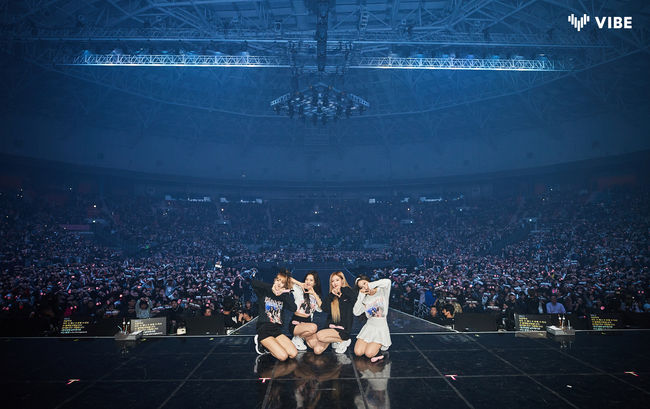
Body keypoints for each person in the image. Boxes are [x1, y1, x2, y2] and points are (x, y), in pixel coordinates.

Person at [251, 269, 298, 361]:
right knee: (283, 356)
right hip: (264, 329)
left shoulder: (283, 296)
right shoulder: (265, 291)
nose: (279, 283)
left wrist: (284, 293)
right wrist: (271, 288)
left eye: (282, 282)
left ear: (285, 285)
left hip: (276, 330)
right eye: (278, 280)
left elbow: (293, 308)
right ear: (274, 280)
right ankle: (261, 342)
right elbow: (253, 283)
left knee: (293, 353)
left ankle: (270, 346)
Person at [313, 272, 355, 354]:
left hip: (343, 330)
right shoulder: (331, 296)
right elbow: (324, 308)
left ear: (342, 280)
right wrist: (332, 295)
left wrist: (341, 289)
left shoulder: (348, 291)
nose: (335, 283)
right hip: (330, 328)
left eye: (337, 280)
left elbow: (354, 298)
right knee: (317, 350)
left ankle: (344, 340)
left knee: (320, 335)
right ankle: (337, 341)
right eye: (332, 281)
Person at [353, 276, 392, 362]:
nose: (364, 287)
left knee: (369, 353)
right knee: (358, 352)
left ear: (368, 281)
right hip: (369, 328)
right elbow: (356, 312)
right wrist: (360, 296)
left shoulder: (382, 291)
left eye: (364, 283)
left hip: (381, 328)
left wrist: (370, 285)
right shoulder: (365, 299)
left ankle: (380, 349)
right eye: (361, 287)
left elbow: (388, 281)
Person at [289, 271, 323, 351]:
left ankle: (300, 337)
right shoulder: (299, 290)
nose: (308, 282)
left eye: (311, 280)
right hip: (296, 323)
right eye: (307, 279)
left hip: (307, 324)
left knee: (315, 346)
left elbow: (321, 308)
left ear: (315, 283)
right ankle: (297, 338)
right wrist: (300, 284)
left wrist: (314, 294)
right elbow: (287, 279)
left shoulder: (315, 295)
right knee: (314, 327)